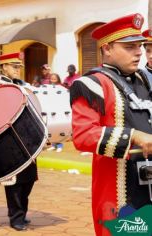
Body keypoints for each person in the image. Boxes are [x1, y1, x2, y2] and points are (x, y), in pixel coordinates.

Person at [70, 13, 152, 236]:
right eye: (129, 47)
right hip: (120, 193)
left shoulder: (144, 80)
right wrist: (134, 136)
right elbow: (83, 135)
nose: (139, 52)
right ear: (106, 48)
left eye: (140, 46)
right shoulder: (91, 84)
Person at [0, 52, 37, 231]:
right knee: (14, 181)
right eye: (14, 67)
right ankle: (16, 217)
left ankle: (22, 212)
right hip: (9, 140)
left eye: (19, 67)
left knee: (28, 179)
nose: (17, 70)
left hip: (27, 138)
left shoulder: (23, 86)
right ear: (4, 67)